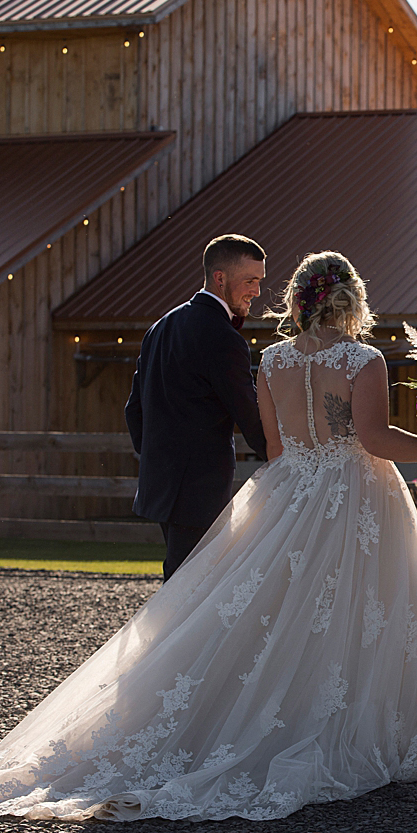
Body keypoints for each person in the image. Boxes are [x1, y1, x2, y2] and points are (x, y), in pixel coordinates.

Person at [0, 251, 417, 821]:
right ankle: (350, 722)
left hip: (288, 489)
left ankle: (255, 715)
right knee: (367, 605)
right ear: (351, 299)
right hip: (355, 491)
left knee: (275, 610)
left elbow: (278, 449)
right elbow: (374, 439)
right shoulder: (363, 359)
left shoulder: (273, 360)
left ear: (298, 298)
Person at [126, 234, 272, 581]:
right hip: (199, 488)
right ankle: (166, 639)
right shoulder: (222, 337)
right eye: (249, 281)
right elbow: (248, 414)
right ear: (220, 278)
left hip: (163, 483)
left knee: (181, 580)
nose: (256, 291)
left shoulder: (161, 326)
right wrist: (286, 458)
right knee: (190, 587)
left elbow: (135, 410)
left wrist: (157, 458)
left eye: (259, 281)